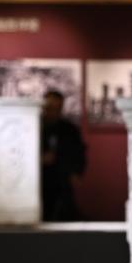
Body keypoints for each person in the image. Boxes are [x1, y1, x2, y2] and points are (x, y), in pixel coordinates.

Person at [39, 89, 87, 221]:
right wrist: (39, 159)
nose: (53, 112)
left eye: (57, 108)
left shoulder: (69, 130)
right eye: (50, 107)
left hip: (62, 181)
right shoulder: (33, 128)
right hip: (39, 181)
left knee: (64, 214)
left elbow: (79, 152)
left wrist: (76, 172)